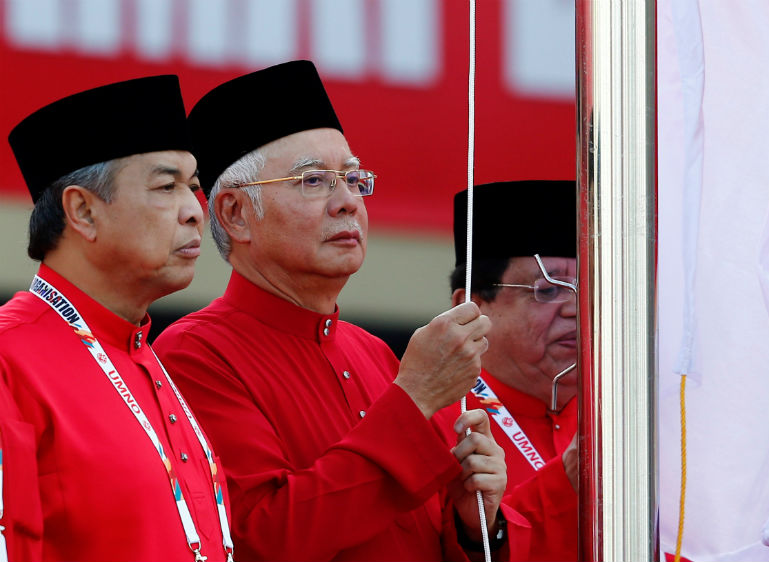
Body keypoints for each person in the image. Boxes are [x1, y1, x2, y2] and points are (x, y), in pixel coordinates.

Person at [153, 60, 527, 561]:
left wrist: (471, 523)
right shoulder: (193, 355)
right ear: (235, 214)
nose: (348, 201)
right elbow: (261, 539)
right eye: (313, 181)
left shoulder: (372, 352)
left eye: (353, 179)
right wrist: (413, 401)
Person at [1, 76, 234, 561]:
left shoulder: (145, 356)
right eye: (167, 186)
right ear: (83, 212)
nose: (195, 210)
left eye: (194, 186)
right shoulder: (9, 357)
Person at [447, 180, 580, 561]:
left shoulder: (630, 422)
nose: (575, 307)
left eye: (587, 286)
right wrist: (563, 484)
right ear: (472, 306)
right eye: (547, 289)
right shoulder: (439, 420)